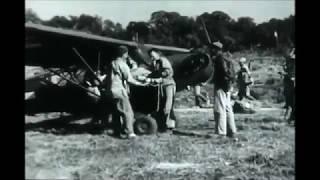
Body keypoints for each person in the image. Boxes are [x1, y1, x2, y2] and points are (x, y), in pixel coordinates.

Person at [101, 45, 148, 138]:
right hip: (119, 90)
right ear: (124, 54)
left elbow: (107, 78)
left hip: (110, 91)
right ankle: (129, 132)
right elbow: (129, 79)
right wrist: (141, 84)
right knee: (128, 112)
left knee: (116, 112)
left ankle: (117, 131)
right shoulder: (122, 64)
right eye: (127, 54)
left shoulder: (112, 63)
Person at [210, 41, 238, 141]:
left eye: (212, 48)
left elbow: (223, 71)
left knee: (219, 109)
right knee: (228, 108)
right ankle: (232, 131)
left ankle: (221, 133)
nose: (211, 50)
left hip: (221, 85)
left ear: (216, 49)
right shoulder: (227, 57)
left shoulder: (219, 58)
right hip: (228, 85)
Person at [147, 48, 176, 132]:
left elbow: (168, 72)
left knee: (168, 105)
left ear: (157, 53)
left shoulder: (163, 61)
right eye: (150, 56)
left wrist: (156, 78)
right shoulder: (156, 63)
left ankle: (168, 126)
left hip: (168, 85)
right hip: (162, 85)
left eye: (152, 55)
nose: (151, 57)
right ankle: (164, 124)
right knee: (163, 105)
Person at [283, 47, 295, 124]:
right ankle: (290, 117)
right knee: (290, 101)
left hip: (292, 82)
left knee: (292, 101)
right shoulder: (289, 62)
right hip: (289, 82)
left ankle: (291, 117)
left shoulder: (292, 61)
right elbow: (287, 70)